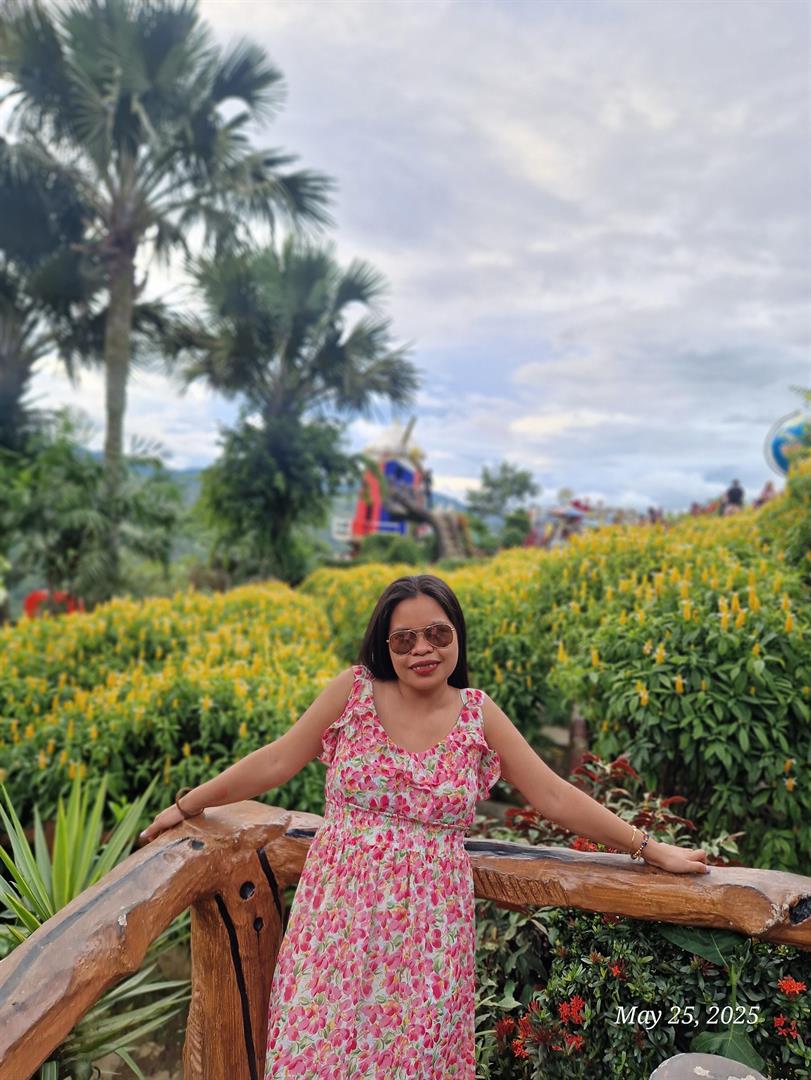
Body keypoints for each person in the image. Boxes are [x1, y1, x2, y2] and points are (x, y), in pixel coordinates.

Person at [139, 574, 709, 1078]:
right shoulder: (353, 692)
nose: (422, 649)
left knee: (413, 1059)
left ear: (457, 636)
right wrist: (188, 805)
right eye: (404, 639)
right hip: (335, 922)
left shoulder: (478, 714)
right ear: (385, 646)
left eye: (437, 634)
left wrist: (647, 847)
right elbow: (275, 760)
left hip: (428, 934)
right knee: (316, 1054)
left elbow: (553, 794)